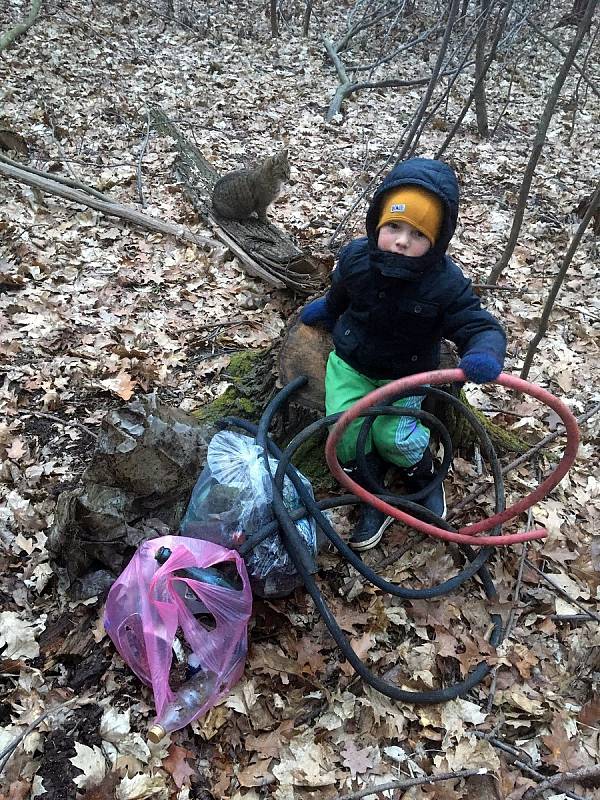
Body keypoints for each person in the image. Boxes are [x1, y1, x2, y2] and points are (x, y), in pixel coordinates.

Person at [300, 157, 506, 551]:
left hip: (404, 376)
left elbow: (477, 324)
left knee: (395, 436)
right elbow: (342, 291)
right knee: (343, 431)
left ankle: (422, 475)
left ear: (436, 241)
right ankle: (369, 487)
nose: (400, 240)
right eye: (393, 226)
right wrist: (328, 310)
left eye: (416, 234)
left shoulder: (444, 283)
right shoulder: (358, 258)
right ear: (377, 222)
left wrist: (484, 351)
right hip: (351, 365)